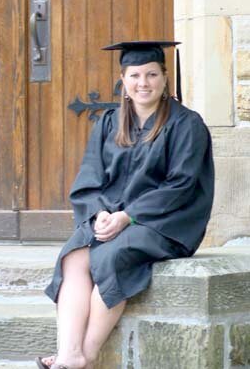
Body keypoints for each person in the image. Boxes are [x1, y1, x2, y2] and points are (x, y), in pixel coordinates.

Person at [35, 41, 215, 369]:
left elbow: (181, 185)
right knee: (74, 257)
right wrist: (100, 213)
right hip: (111, 217)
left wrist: (128, 217)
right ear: (123, 80)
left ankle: (83, 357)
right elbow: (88, 180)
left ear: (164, 78)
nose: (143, 83)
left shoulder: (186, 124)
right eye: (135, 75)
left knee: (111, 256)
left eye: (151, 74)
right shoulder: (109, 122)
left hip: (164, 223)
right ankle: (69, 353)